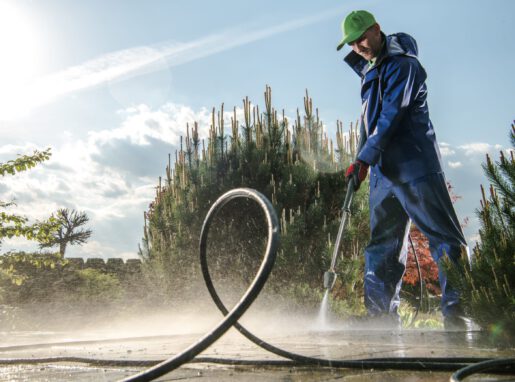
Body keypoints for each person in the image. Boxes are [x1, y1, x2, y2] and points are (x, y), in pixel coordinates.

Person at [337, 10, 470, 329]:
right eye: (352, 43)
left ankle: (457, 314)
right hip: (384, 172)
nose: (358, 46)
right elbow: (368, 126)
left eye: (362, 38)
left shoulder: (404, 65)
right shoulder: (370, 70)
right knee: (382, 243)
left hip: (415, 165)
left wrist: (367, 156)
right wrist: (360, 161)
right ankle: (380, 315)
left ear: (377, 29)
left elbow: (392, 116)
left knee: (443, 237)